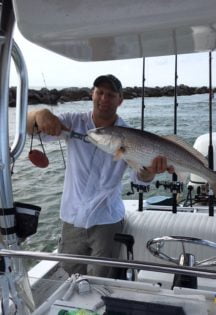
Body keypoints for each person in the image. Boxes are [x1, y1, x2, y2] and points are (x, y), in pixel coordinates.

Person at [27, 74, 174, 278]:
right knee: (71, 276)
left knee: (102, 280)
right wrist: (39, 114)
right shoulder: (73, 122)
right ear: (92, 94)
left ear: (120, 100)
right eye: (100, 92)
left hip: (106, 220)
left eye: (111, 94)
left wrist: (149, 171)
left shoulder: (130, 136)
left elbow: (140, 179)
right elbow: (29, 130)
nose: (104, 98)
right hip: (72, 217)